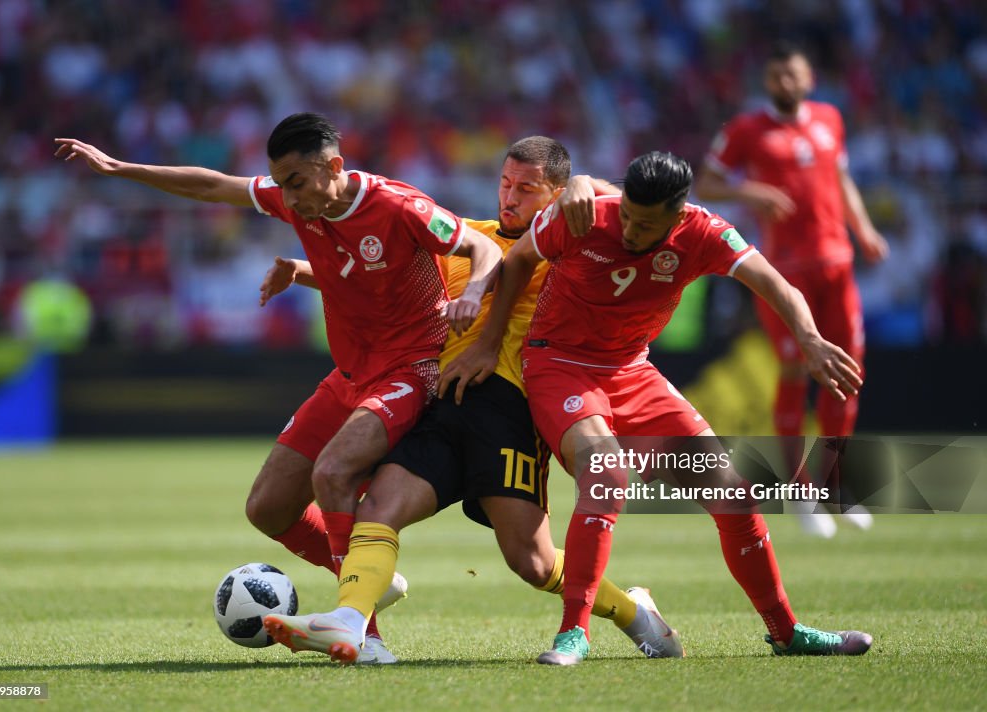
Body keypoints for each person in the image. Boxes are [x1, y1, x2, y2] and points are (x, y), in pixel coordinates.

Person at [54, 113, 502, 663]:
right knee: (267, 508)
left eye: (297, 182)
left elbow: (487, 252)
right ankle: (362, 574)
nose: (288, 198)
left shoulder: (399, 206)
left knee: (333, 472)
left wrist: (474, 294)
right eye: (280, 183)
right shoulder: (294, 196)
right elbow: (212, 185)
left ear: (334, 166)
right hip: (350, 374)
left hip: (414, 368)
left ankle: (363, 633)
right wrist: (122, 168)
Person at [258, 137, 684, 664]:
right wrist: (301, 271)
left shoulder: (571, 244)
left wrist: (584, 185)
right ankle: (353, 626)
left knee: (530, 562)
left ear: (556, 197)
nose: (510, 197)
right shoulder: (467, 239)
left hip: (511, 414)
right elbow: (387, 282)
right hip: (444, 406)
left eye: (527, 189)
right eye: (505, 183)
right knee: (378, 509)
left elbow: (631, 204)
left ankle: (632, 610)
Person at [449, 150, 874, 665]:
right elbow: (517, 261)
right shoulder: (588, 216)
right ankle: (573, 633)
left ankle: (786, 632)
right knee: (606, 473)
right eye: (626, 213)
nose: (629, 230)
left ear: (678, 215)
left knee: (734, 494)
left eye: (646, 224)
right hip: (560, 365)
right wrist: (491, 342)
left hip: (632, 371)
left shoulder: (704, 233)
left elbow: (775, 283)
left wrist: (808, 338)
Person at [696, 42, 889, 537]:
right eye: (777, 76)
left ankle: (835, 485)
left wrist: (862, 228)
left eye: (794, 74)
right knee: (794, 371)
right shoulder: (747, 131)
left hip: (836, 265)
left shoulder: (829, 119)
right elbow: (708, 184)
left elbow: (840, 178)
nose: (786, 83)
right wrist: (750, 190)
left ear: (810, 78)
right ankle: (800, 492)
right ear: (767, 80)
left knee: (848, 372)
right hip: (786, 273)